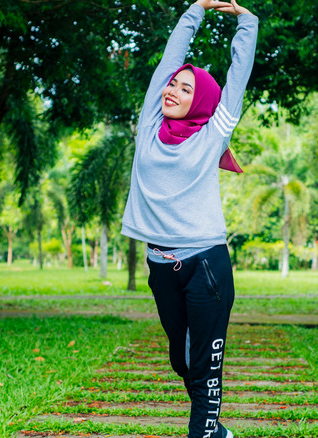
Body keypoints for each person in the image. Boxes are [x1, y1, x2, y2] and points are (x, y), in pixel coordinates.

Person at [120, 0, 258, 437]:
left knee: (205, 367)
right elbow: (169, 61)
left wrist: (246, 24)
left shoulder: (212, 134)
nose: (172, 91)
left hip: (206, 266)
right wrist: (194, 11)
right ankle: (215, 431)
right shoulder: (149, 124)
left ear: (201, 101)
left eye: (184, 89)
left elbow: (237, 78)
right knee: (182, 362)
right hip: (161, 266)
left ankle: (203, 431)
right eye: (172, 86)